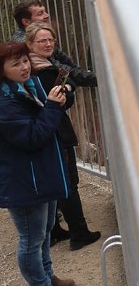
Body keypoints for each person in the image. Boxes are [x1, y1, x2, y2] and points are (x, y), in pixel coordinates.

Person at [0, 42, 76, 286]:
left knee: (44, 232)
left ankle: (48, 277)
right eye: (16, 64)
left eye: (25, 60)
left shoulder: (28, 86)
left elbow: (46, 119)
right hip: (24, 181)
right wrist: (53, 106)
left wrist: (60, 99)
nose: (24, 67)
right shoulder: (5, 104)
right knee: (31, 239)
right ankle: (40, 283)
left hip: (41, 173)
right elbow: (32, 137)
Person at [25, 23, 101, 251]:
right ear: (30, 44)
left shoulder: (35, 65)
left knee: (57, 181)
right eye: (42, 41)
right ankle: (80, 233)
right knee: (69, 182)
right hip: (55, 131)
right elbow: (63, 100)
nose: (48, 44)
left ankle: (56, 231)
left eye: (51, 40)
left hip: (50, 130)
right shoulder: (42, 70)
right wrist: (68, 89)